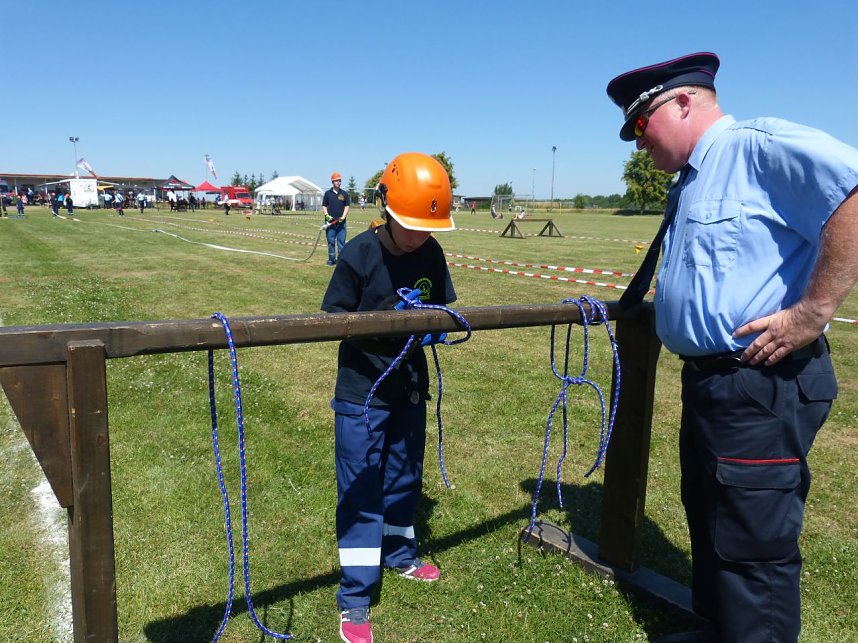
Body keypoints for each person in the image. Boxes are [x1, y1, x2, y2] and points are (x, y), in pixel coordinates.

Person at [606, 52, 858, 642]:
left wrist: (812, 312)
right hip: (714, 384)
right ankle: (717, 629)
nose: (636, 143)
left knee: (753, 548)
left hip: (761, 383)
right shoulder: (694, 178)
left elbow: (851, 196)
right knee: (712, 520)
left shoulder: (756, 148)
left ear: (685, 101)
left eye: (641, 125)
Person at [320, 152, 457, 643]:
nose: (419, 236)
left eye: (428, 226)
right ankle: (355, 596)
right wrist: (383, 324)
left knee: (404, 472)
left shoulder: (432, 252)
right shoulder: (359, 253)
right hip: (363, 389)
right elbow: (332, 318)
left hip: (409, 388)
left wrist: (432, 329)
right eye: (411, 225)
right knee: (361, 481)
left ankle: (400, 553)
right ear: (387, 209)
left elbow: (444, 305)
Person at [322, 171, 350, 266]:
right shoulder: (327, 194)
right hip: (330, 222)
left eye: (339, 180)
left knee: (341, 242)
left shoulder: (344, 194)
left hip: (341, 223)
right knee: (331, 241)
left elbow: (347, 206)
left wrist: (343, 216)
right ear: (332, 182)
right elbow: (324, 206)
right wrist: (326, 215)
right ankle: (331, 259)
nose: (338, 182)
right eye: (336, 181)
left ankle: (340, 260)